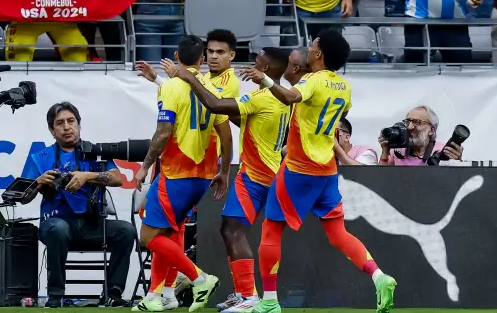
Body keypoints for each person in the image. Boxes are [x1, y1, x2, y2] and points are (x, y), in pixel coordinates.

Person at [251, 30, 397, 313]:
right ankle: (379, 276)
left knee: (270, 230)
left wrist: (265, 79)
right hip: (327, 171)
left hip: (298, 168)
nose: (309, 46)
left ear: (318, 54)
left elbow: (291, 97)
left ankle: (269, 301)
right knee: (337, 233)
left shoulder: (312, 80)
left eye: (313, 44)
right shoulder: (344, 87)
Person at [163, 47, 291, 313]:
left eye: (259, 60)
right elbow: (234, 115)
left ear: (265, 69)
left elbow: (216, 106)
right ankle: (244, 294)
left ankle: (248, 297)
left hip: (257, 176)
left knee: (233, 230)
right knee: (229, 228)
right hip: (263, 173)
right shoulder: (274, 95)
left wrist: (190, 79)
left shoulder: (265, 98)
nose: (253, 61)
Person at [133, 35, 232, 312]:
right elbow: (226, 137)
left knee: (149, 237)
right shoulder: (212, 88)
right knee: (171, 230)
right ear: (202, 61)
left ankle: (199, 278)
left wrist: (144, 166)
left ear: (176, 57)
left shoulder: (172, 88)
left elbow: (163, 132)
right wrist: (224, 171)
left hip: (176, 174)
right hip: (203, 177)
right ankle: (162, 294)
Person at [20, 102, 136, 308]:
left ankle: (112, 293)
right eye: (60, 123)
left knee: (126, 230)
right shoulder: (40, 157)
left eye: (71, 121)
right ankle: (55, 295)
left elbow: (118, 178)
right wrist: (39, 182)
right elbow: (23, 197)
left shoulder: (95, 152)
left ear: (79, 125)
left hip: (92, 225)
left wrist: (87, 176)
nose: (67, 127)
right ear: (51, 130)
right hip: (55, 224)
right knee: (58, 229)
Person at [378, 105, 464, 165]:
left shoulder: (442, 151)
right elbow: (381, 179)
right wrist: (385, 151)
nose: (410, 127)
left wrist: (457, 161)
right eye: (407, 122)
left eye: (417, 122)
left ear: (432, 130)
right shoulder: (398, 151)